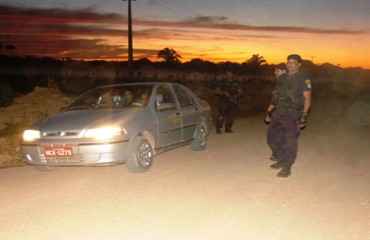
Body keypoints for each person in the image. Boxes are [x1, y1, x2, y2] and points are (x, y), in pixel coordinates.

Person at [264, 54, 312, 177]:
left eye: (293, 62)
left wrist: (304, 116)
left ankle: (287, 164)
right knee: (272, 138)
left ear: (298, 64)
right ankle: (281, 157)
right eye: (288, 62)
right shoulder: (282, 78)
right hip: (279, 111)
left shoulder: (303, 78)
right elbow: (276, 96)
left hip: (293, 112)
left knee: (290, 140)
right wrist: (269, 111)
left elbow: (307, 98)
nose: (290, 64)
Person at [265, 63, 287, 161]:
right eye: (275, 70)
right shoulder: (280, 82)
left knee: (277, 135)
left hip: (286, 112)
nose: (275, 73)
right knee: (274, 135)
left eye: (277, 70)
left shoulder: (287, 83)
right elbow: (275, 100)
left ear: (284, 71)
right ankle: (278, 154)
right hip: (279, 111)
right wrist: (268, 112)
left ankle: (281, 157)